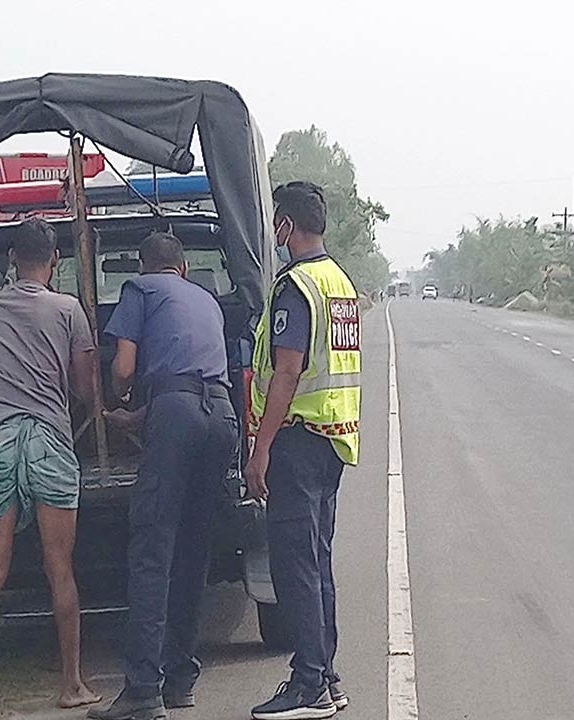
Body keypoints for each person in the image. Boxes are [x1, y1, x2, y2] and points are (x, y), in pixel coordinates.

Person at [88, 232, 238, 720]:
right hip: (221, 415)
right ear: (184, 268)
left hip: (175, 415)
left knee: (153, 551)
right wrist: (145, 416)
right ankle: (180, 680)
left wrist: (117, 398)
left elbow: (125, 367)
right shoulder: (206, 299)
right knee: (193, 550)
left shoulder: (140, 289)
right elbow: (192, 379)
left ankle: (142, 690)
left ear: (142, 265)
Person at [0, 218, 102, 711]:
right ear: (56, 260)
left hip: (2, 441)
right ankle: (71, 684)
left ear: (11, 257)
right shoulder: (68, 310)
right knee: (59, 567)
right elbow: (84, 387)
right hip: (48, 441)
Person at [245, 182, 362, 720]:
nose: (275, 230)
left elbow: (287, 371)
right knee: (317, 562)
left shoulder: (296, 286)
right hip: (333, 440)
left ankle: (309, 682)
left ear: (287, 225)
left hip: (296, 440)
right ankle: (326, 675)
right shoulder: (339, 281)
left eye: (277, 221)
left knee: (295, 567)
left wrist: (261, 447)